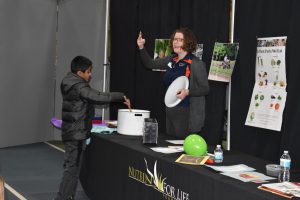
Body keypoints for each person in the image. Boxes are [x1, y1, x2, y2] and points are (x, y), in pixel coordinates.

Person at [55, 56, 130, 200]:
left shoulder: (69, 81)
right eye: (88, 72)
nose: (90, 75)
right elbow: (97, 97)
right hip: (76, 134)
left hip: (73, 132)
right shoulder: (79, 86)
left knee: (73, 169)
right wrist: (120, 96)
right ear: (79, 73)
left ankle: (68, 196)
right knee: (72, 170)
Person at [137, 28, 209, 138]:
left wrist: (188, 92)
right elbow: (149, 64)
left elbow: (205, 89)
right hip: (170, 110)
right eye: (175, 39)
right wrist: (141, 47)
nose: (176, 42)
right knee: (170, 144)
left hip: (186, 112)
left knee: (181, 146)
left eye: (180, 40)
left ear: (188, 42)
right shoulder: (171, 59)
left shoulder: (196, 63)